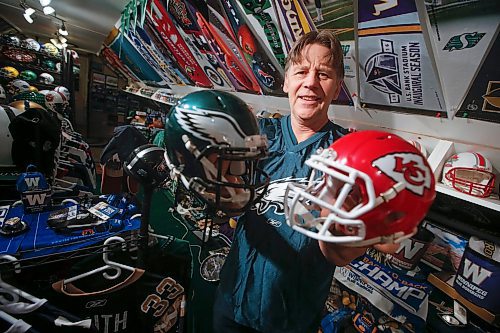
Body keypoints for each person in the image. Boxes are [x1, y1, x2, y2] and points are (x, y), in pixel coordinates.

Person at [212, 30, 418, 333]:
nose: (310, 82)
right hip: (232, 304)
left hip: (293, 318)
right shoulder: (255, 135)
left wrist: (356, 240)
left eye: (323, 74)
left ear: (337, 88)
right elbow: (223, 197)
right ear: (286, 82)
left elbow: (388, 242)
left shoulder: (352, 156)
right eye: (301, 71)